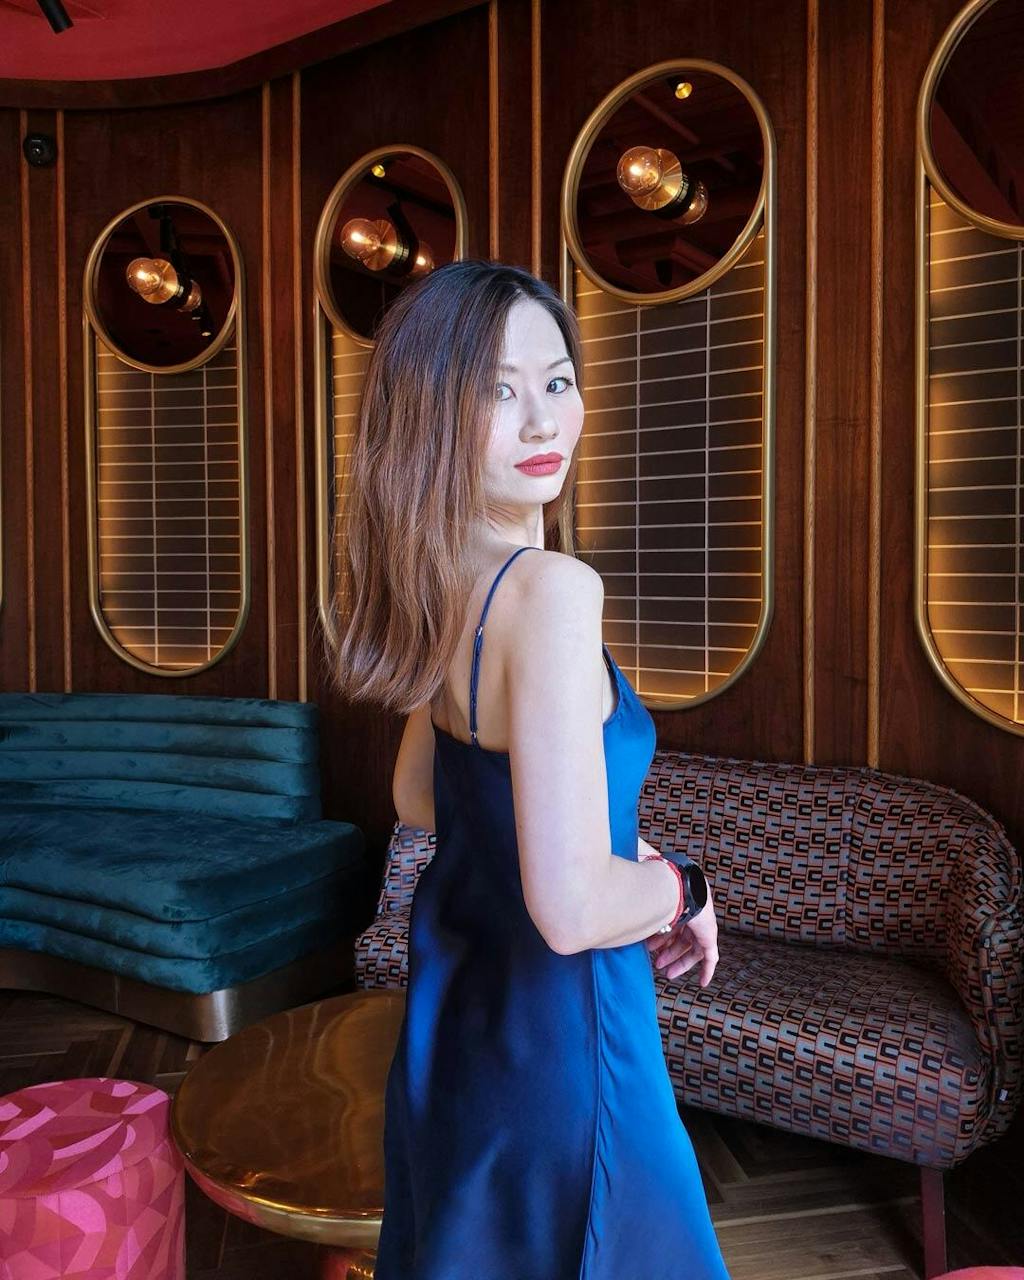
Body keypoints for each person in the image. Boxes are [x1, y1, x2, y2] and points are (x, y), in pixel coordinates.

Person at [327, 259, 732, 1279]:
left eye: (556, 381)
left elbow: (419, 795)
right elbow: (571, 909)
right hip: (566, 1039)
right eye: (497, 392)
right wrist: (685, 887)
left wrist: (617, 841)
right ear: (431, 415)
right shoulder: (551, 591)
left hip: (463, 1027)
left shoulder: (449, 581)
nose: (544, 420)